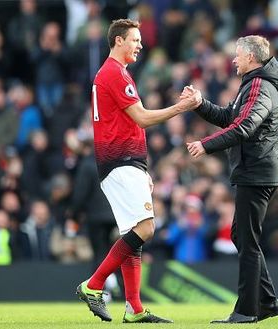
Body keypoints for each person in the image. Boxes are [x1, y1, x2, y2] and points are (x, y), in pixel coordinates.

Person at [75, 18, 201, 323]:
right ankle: (93, 285)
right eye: (135, 39)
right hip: (120, 161)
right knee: (146, 228)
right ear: (118, 41)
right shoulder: (114, 74)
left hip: (125, 161)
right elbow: (142, 118)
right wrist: (180, 108)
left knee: (135, 233)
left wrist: (141, 166)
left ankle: (134, 307)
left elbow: (130, 123)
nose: (140, 45)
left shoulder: (115, 74)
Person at [185, 35, 278, 323]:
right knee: (242, 235)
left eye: (238, 55)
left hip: (257, 171)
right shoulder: (255, 84)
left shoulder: (259, 85)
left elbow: (244, 126)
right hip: (257, 169)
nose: (234, 59)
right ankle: (267, 302)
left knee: (247, 239)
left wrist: (206, 145)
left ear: (252, 58)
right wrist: (200, 103)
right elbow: (231, 117)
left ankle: (246, 311)